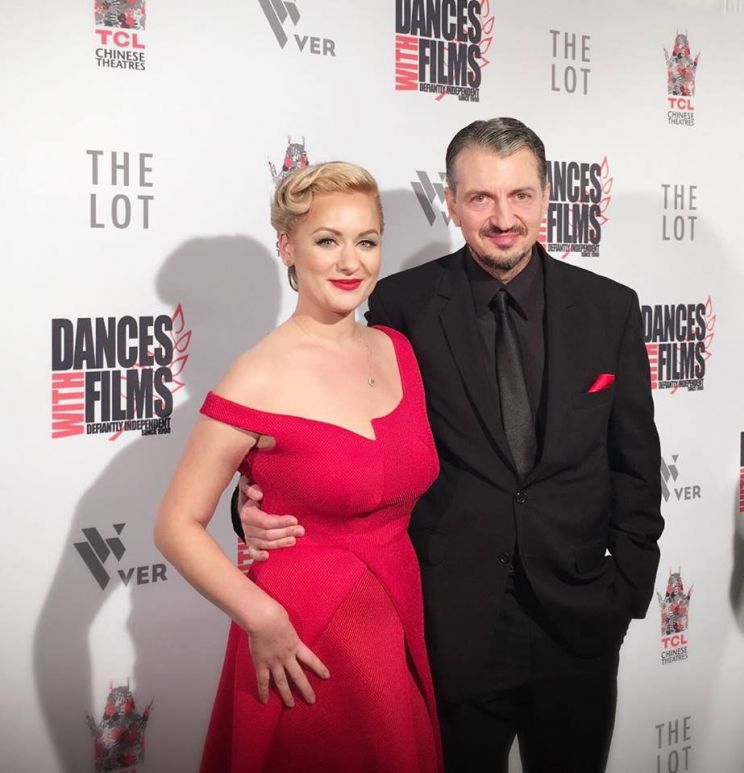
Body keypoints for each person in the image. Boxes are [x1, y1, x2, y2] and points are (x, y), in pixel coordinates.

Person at [235, 119, 664, 773]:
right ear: (452, 201)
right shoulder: (401, 305)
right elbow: (340, 426)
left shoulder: (610, 308)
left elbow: (636, 463)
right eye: (481, 197)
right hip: (451, 623)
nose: (503, 218)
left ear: (547, 198)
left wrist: (627, 589)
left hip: (579, 623)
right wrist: (251, 503)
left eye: (520, 195)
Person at [155, 161, 443, 772]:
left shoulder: (396, 349)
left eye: (366, 241)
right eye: (327, 241)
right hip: (302, 635)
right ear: (287, 246)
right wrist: (260, 616)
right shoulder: (257, 375)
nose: (350, 262)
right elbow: (176, 525)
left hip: (397, 609)